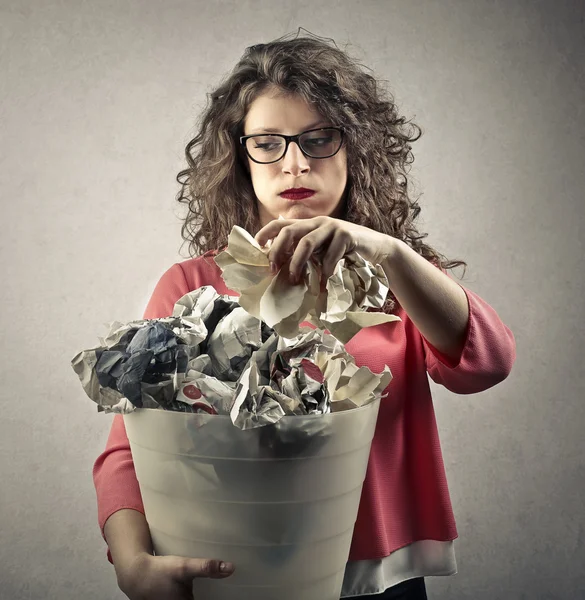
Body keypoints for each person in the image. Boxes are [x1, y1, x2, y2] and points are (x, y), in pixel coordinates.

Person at [93, 32, 516, 600]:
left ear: (354, 151)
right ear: (240, 157)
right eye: (267, 142)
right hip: (239, 575)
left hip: (379, 579)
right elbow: (131, 444)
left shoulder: (400, 277)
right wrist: (130, 560)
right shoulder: (192, 285)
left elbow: (486, 364)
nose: (294, 163)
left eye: (319, 139)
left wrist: (388, 252)